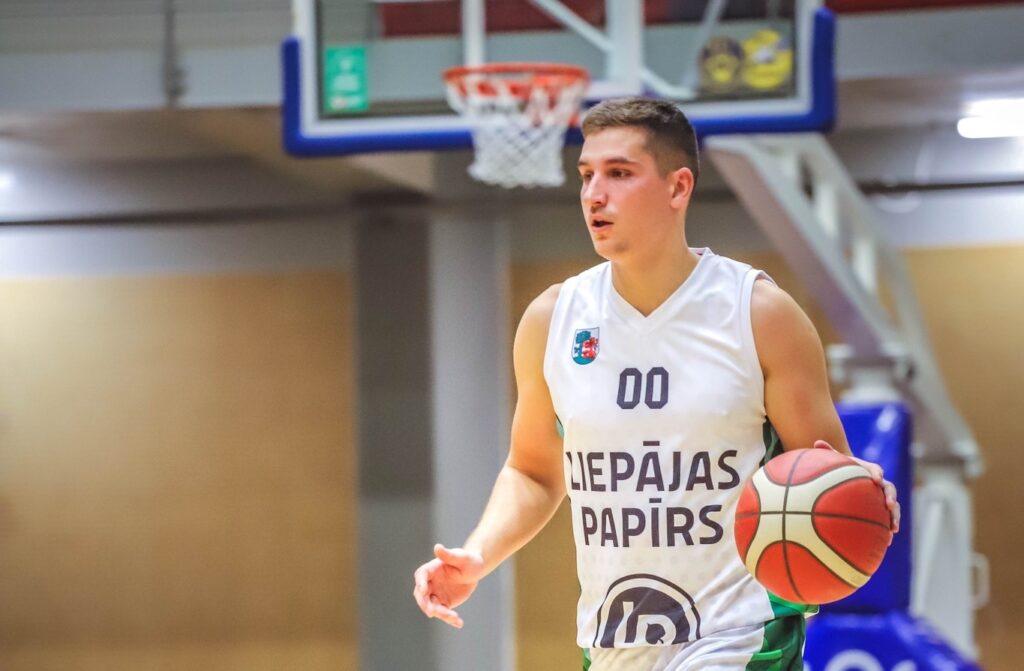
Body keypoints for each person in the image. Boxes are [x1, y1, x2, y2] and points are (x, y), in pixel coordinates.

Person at [413, 97, 900, 670]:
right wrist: (478, 554)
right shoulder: (553, 320)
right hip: (612, 642)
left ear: (678, 187)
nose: (595, 194)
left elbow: (824, 472)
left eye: (619, 173)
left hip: (739, 639)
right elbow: (534, 471)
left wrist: (862, 494)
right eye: (587, 175)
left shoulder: (758, 313)